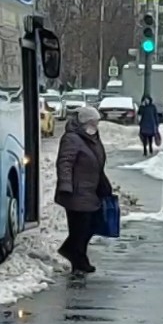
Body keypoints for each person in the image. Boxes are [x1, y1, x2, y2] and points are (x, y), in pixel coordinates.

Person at [55, 106, 111, 273]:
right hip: (75, 192)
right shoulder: (72, 139)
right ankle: (78, 259)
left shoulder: (92, 138)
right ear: (83, 122)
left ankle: (75, 254)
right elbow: (65, 162)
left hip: (90, 191)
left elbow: (98, 163)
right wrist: (65, 185)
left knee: (89, 225)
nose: (95, 126)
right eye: (92, 122)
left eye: (96, 122)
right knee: (81, 228)